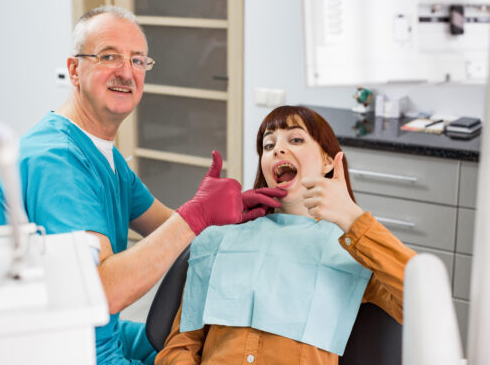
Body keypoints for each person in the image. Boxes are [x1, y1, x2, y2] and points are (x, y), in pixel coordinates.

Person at [0, 6, 284, 365]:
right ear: (74, 70)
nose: (126, 72)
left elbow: (168, 227)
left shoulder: (101, 155)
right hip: (65, 351)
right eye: (109, 56)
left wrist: (227, 219)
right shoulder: (57, 162)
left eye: (138, 61)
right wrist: (196, 214)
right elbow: (102, 292)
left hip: (101, 334)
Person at [155, 105, 417, 365]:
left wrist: (352, 218)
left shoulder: (349, 252)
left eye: (295, 139)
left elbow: (422, 300)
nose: (278, 149)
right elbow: (181, 347)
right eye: (268, 146)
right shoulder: (223, 240)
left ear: (327, 161)